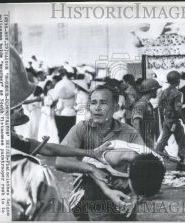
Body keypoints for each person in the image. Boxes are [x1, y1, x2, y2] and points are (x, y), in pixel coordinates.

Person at [9, 47, 112, 221]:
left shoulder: (11, 139)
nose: (20, 109)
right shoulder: (31, 172)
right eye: (17, 107)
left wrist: (89, 153)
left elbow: (47, 148)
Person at [56, 84, 147, 221]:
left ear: (115, 107)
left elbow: (146, 164)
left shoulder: (129, 132)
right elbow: (60, 161)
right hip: (92, 193)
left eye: (103, 103)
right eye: (93, 103)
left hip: (123, 194)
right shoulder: (81, 129)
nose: (97, 108)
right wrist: (91, 169)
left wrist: (135, 193)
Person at [155, 71, 185, 165]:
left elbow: (160, 106)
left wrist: (163, 118)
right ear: (177, 81)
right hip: (174, 121)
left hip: (167, 120)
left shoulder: (163, 92)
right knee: (182, 141)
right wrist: (184, 120)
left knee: (164, 139)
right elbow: (178, 109)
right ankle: (181, 161)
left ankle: (158, 151)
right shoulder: (177, 93)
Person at [132, 78, 161, 149]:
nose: (157, 92)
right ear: (152, 91)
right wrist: (139, 141)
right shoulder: (141, 104)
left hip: (147, 139)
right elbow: (136, 123)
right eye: (156, 90)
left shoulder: (147, 103)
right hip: (143, 141)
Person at [51, 66, 76, 142]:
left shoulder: (58, 84)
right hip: (71, 111)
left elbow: (54, 98)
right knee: (70, 132)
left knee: (61, 133)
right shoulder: (73, 84)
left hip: (60, 111)